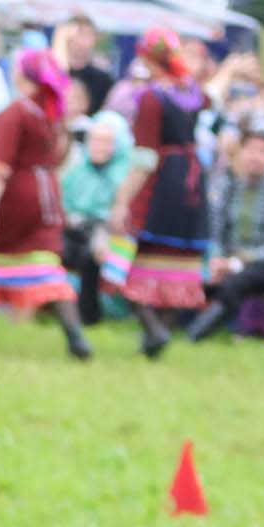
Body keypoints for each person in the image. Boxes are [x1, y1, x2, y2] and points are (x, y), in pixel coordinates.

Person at [0, 49, 89, 359]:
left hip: (14, 196)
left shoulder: (17, 112)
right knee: (47, 268)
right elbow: (59, 155)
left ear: (23, 75)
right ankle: (76, 337)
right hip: (46, 196)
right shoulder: (52, 112)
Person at [106, 27, 210, 356]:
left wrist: (122, 201)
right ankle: (156, 335)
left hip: (160, 184)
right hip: (191, 185)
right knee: (174, 262)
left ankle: (153, 329)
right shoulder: (190, 92)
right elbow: (213, 94)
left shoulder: (152, 98)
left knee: (125, 258)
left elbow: (144, 158)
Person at [188, 124, 264, 342]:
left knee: (236, 281)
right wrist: (217, 258)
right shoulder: (225, 185)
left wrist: (236, 263)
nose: (256, 157)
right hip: (225, 257)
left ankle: (197, 333)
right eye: (251, 150)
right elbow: (215, 229)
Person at [59, 110, 132, 325]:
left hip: (107, 232)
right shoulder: (77, 170)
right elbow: (65, 202)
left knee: (92, 255)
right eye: (96, 140)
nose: (100, 146)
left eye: (106, 141)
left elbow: (118, 216)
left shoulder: (123, 174)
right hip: (73, 227)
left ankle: (88, 316)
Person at [52, 14, 115, 124]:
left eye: (87, 35)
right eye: (78, 34)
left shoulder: (104, 79)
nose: (81, 41)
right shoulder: (55, 72)